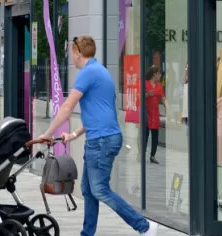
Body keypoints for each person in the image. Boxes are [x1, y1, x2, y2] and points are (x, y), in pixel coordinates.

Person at [35, 36, 158, 236]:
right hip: (103, 137)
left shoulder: (87, 73)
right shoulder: (101, 72)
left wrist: (47, 134)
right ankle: (87, 233)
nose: (71, 57)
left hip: (101, 141)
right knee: (88, 189)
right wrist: (74, 134)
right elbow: (99, 113)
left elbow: (67, 107)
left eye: (72, 52)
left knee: (99, 189)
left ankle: (143, 226)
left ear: (77, 53)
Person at [142, 66, 167, 164]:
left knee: (155, 136)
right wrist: (147, 95)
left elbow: (163, 98)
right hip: (147, 113)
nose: (160, 75)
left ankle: (153, 156)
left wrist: (167, 108)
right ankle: (142, 154)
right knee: (145, 135)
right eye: (159, 73)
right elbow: (139, 96)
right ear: (154, 74)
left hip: (155, 113)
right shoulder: (145, 84)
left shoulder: (159, 86)